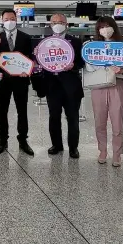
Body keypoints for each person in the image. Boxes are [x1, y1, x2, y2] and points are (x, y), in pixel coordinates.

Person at [0, 9, 34, 156]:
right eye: (7, 19)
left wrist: (27, 70)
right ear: (2, 21)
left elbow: (30, 58)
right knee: (2, 110)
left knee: (22, 110)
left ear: (16, 19)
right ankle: (3, 140)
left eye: (12, 18)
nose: (10, 21)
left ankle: (23, 140)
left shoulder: (26, 38)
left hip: (21, 79)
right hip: (4, 80)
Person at [86, 16, 123, 167]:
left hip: (117, 85)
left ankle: (117, 154)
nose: (105, 29)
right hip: (98, 86)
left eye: (108, 26)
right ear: (98, 30)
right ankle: (102, 151)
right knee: (100, 121)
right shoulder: (92, 47)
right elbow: (89, 67)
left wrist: (121, 69)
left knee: (117, 122)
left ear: (114, 27)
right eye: (101, 27)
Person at [42, 14, 84, 158]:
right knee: (54, 117)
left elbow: (82, 62)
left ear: (66, 24)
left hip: (71, 86)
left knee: (72, 118)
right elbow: (39, 62)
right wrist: (37, 56)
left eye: (61, 22)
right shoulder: (44, 43)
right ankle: (56, 145)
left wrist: (74, 65)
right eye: (54, 22)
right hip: (52, 86)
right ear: (50, 25)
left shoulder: (76, 42)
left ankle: (73, 147)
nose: (57, 24)